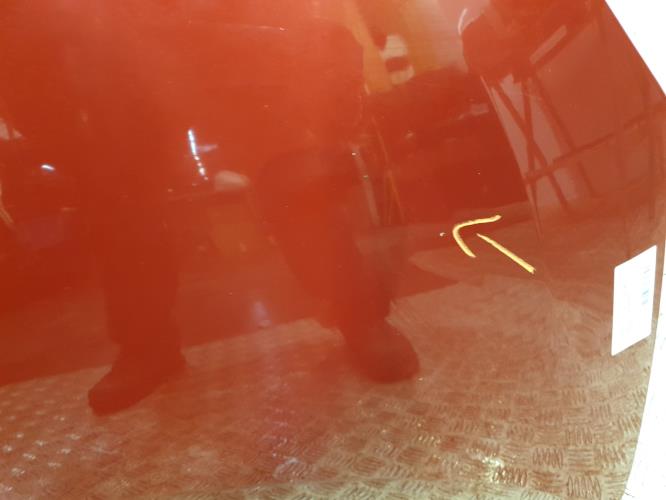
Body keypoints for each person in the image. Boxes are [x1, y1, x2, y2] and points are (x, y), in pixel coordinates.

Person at [0, 1, 419, 415]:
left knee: (288, 167)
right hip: (109, 42)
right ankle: (147, 346)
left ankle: (358, 313)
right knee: (119, 198)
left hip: (220, 24)